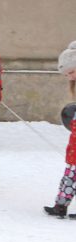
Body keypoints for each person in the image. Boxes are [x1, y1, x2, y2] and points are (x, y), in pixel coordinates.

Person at [44, 41, 76, 219]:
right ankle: (60, 206)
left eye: (71, 72)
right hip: (74, 148)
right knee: (69, 178)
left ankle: (61, 206)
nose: (70, 78)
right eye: (67, 75)